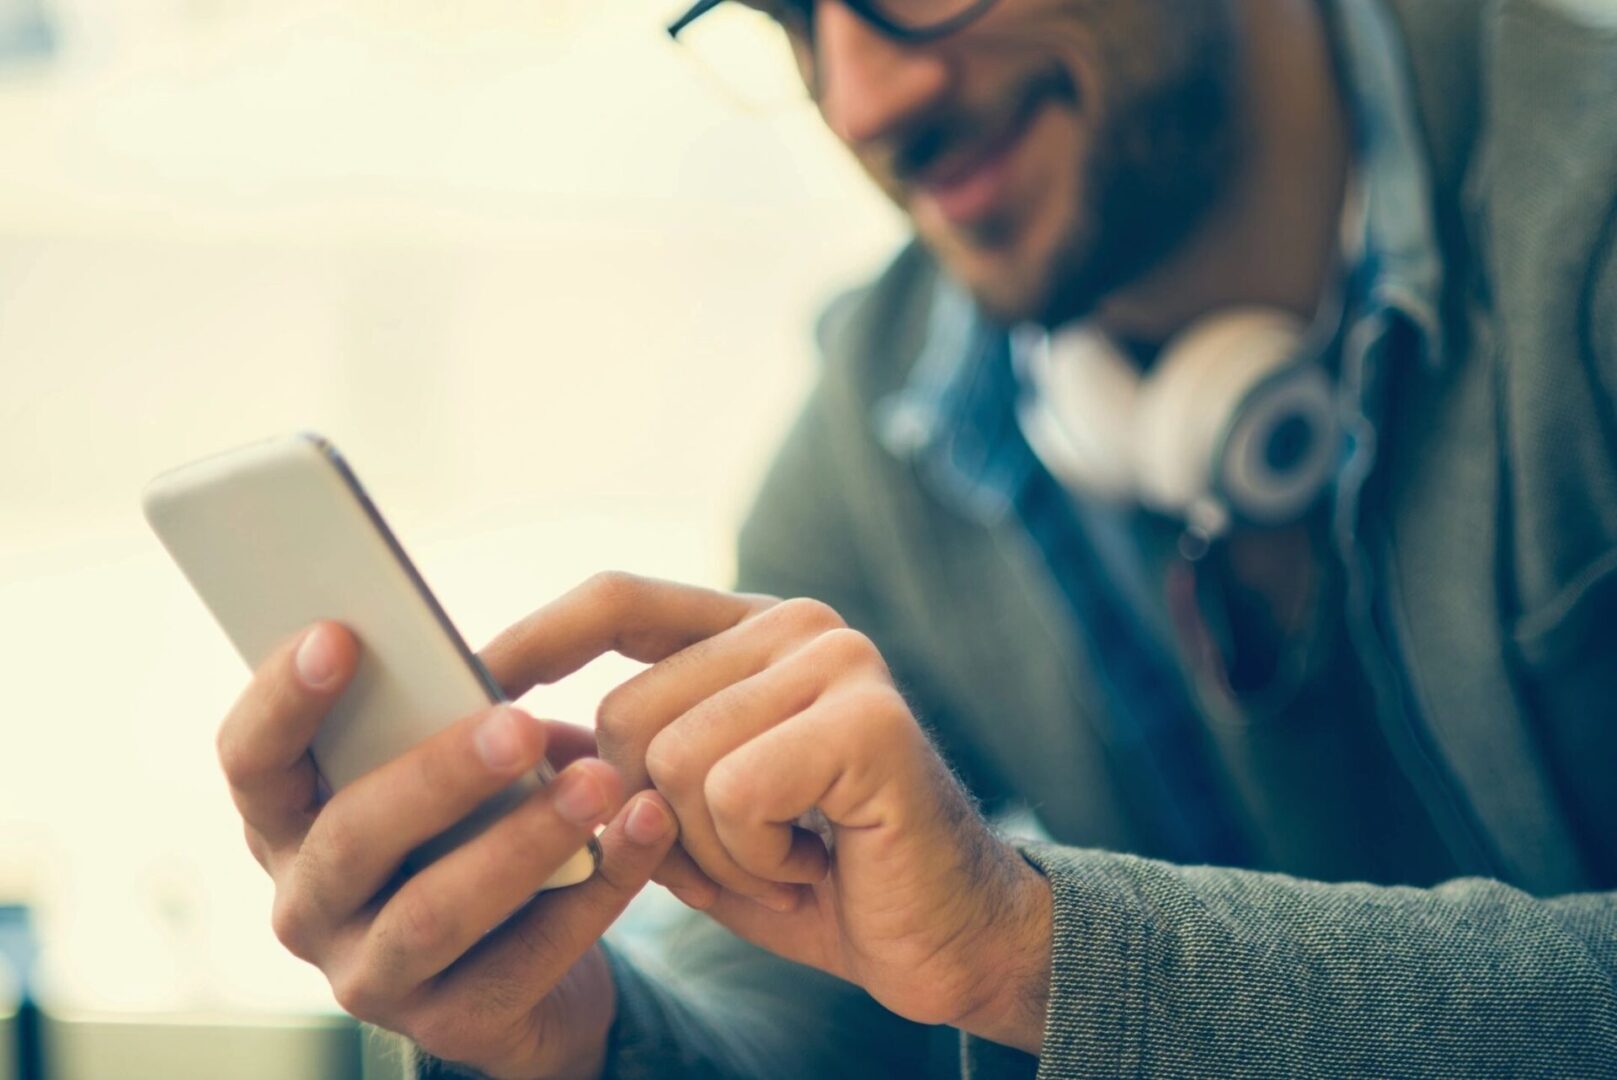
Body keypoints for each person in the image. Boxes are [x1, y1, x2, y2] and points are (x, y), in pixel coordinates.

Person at [213, 0, 1617, 1076]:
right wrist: (572, 1032)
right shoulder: (872, 450)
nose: (864, 95)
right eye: (784, 16)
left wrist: (1037, 954)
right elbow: (796, 1027)